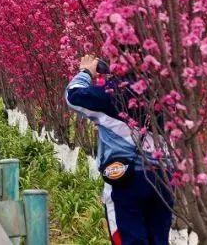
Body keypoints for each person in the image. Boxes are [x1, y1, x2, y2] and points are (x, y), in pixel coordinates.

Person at [67, 54, 172, 245]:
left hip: (126, 179)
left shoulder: (112, 94)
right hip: (164, 178)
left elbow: (73, 96)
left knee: (127, 239)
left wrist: (86, 72)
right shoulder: (169, 92)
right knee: (158, 239)